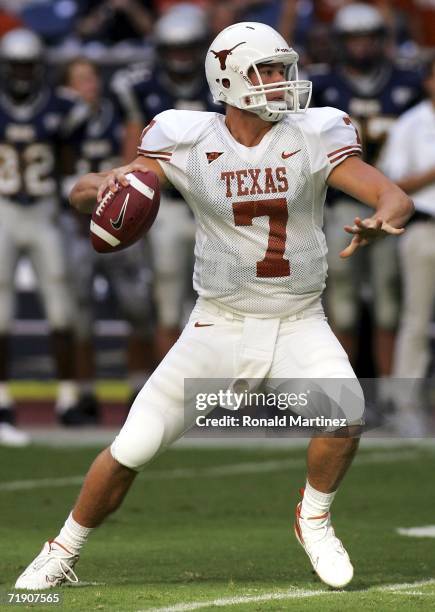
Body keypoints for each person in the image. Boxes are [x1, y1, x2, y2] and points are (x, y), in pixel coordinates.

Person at [14, 22, 413, 590]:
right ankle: (62, 547)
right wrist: (102, 182)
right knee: (132, 446)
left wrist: (385, 218)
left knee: (345, 416)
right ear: (227, 76)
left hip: (298, 317)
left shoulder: (314, 132)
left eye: (282, 69)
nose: (281, 82)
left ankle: (314, 518)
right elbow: (87, 192)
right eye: (267, 71)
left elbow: (390, 193)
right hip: (217, 324)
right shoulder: (186, 139)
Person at [307, 3, 421, 381]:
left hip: (390, 206)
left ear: (382, 40)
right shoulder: (320, 87)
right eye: (353, 39)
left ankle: (389, 396)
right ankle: (346, 396)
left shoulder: (408, 83)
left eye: (369, 38)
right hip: (340, 207)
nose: (360, 47)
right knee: (342, 307)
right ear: (339, 42)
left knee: (390, 306)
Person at [112, 3, 222, 359]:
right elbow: (133, 156)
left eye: (187, 48)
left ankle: (223, 399)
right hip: (169, 205)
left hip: (217, 204)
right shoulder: (142, 88)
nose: (180, 57)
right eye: (173, 49)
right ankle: (173, 398)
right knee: (168, 302)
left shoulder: (223, 84)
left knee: (224, 307)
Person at [0, 29, 89, 441]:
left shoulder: (62, 107)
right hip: (3, 211)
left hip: (44, 212)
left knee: (60, 308)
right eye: (16, 66)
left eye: (28, 65)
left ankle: (68, 397)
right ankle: (2, 399)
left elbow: (70, 163)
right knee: (1, 310)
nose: (22, 73)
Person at [61, 57, 155, 417]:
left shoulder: (115, 115)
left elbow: (133, 159)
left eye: (91, 78)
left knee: (137, 308)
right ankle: (84, 394)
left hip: (119, 218)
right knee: (80, 314)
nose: (88, 85)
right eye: (79, 79)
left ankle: (137, 388)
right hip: (74, 222)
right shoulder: (59, 119)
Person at [378, 55, 435, 436]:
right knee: (416, 317)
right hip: (425, 226)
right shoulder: (413, 122)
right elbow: (393, 185)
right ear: (427, 81)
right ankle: (406, 404)